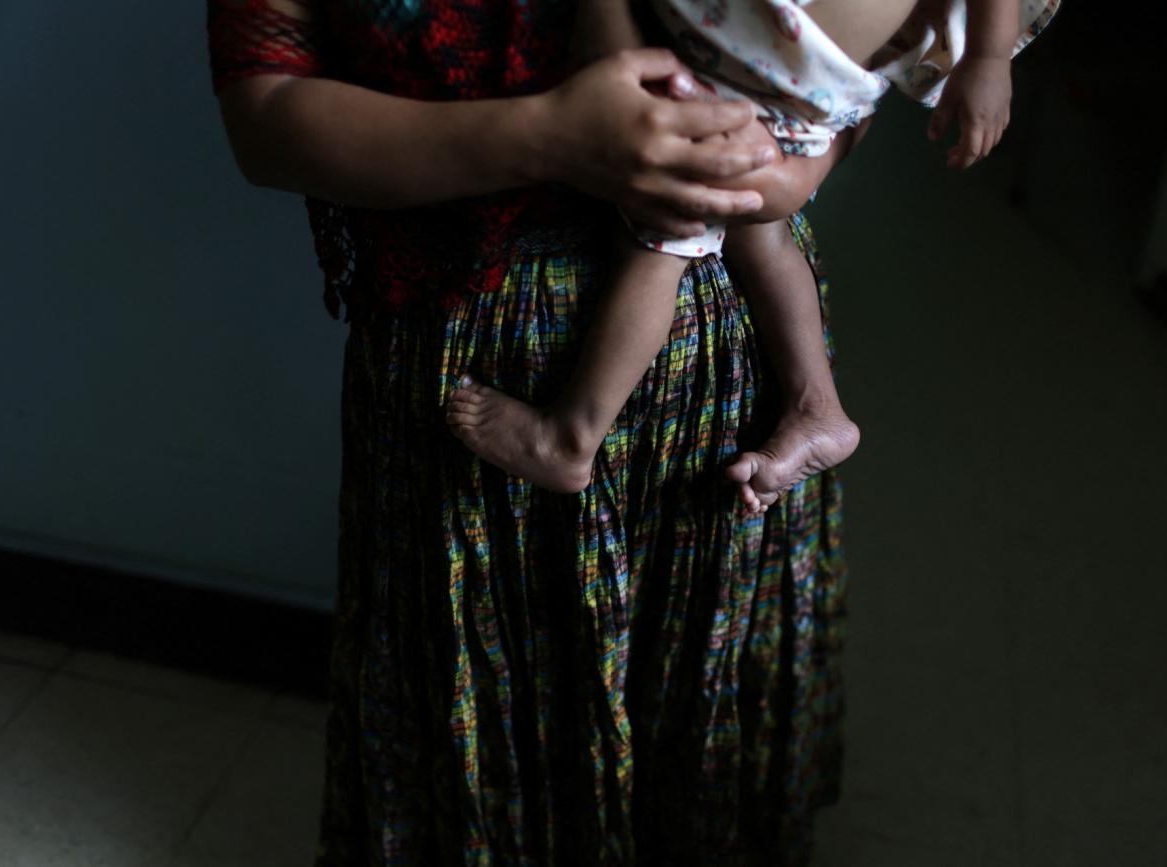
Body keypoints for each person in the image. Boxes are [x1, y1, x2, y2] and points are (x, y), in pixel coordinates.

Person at [208, 1, 859, 864]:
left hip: (723, 358)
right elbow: (268, 122)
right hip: (470, 351)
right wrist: (549, 134)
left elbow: (845, 35)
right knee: (494, 712)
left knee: (695, 723)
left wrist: (806, 148)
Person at [444, 0, 1061, 514]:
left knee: (664, 234)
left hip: (767, 55)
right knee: (756, 230)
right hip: (783, 61)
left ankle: (572, 435)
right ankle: (816, 405)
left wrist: (986, 58)